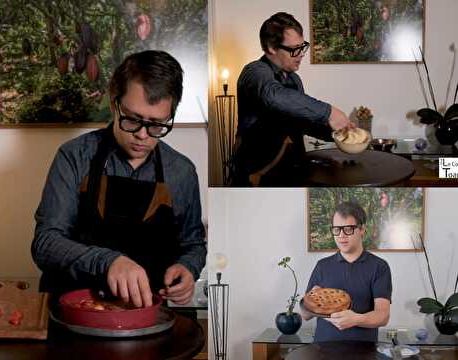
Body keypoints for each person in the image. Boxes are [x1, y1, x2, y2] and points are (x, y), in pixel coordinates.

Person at [32, 50, 206, 308]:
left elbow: (193, 244)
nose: (143, 135)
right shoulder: (74, 157)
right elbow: (45, 243)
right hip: (74, 314)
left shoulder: (181, 171)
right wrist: (108, 261)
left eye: (157, 125)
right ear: (115, 103)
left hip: (148, 318)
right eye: (133, 120)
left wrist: (188, 267)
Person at [233, 12, 355, 186]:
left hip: (293, 172)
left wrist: (338, 133)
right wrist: (330, 112)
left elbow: (302, 122)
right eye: (293, 49)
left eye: (302, 46)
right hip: (258, 176)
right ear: (271, 47)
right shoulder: (254, 72)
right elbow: (273, 95)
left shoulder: (294, 79)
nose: (301, 54)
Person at [303, 201, 392, 342]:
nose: (341, 235)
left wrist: (356, 319)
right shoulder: (322, 266)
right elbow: (305, 316)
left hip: (364, 354)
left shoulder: (379, 267)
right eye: (337, 229)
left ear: (362, 229)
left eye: (348, 229)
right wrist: (310, 300)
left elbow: (383, 315)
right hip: (322, 352)